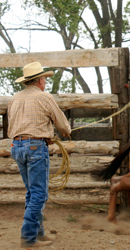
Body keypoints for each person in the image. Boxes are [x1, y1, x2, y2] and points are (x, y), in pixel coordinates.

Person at [7, 62, 71, 248]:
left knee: (32, 192)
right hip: (35, 148)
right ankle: (28, 238)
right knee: (38, 195)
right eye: (44, 79)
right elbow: (64, 126)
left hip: (17, 146)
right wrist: (58, 134)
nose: (45, 83)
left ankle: (38, 233)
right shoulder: (44, 97)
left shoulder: (15, 99)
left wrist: (42, 136)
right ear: (40, 80)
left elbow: (15, 126)